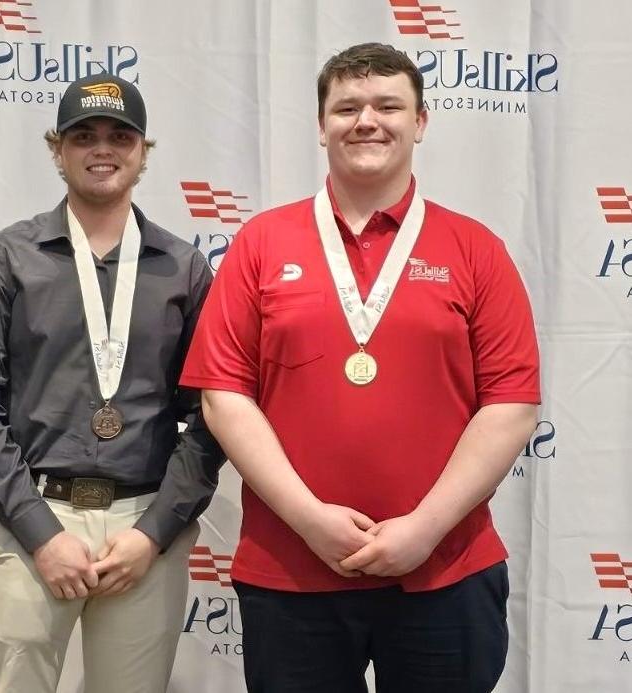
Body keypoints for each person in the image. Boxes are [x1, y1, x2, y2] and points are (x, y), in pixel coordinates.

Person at [180, 43, 540, 693]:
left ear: (420, 121)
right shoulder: (261, 244)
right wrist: (310, 518)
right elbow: (224, 397)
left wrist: (424, 528)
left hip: (444, 570)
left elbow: (510, 404)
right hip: (290, 568)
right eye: (345, 107)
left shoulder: (474, 248)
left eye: (387, 105)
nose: (365, 120)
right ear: (321, 126)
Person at [0, 72, 223, 693]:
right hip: (31, 520)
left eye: (120, 136)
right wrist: (43, 534)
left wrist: (152, 534)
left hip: (142, 529)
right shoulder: (7, 259)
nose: (103, 148)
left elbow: (212, 416)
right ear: (58, 150)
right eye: (84, 135)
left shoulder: (183, 268)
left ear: (142, 152)